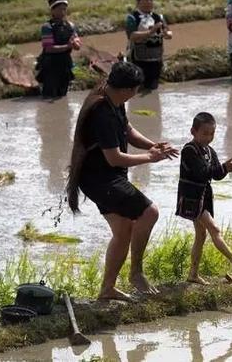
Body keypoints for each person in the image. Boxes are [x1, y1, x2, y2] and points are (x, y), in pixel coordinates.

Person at [66, 62, 179, 301]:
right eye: (136, 89)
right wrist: (150, 158)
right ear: (128, 90)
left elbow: (127, 130)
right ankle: (136, 272)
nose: (136, 93)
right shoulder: (102, 113)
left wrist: (152, 145)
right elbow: (114, 158)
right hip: (100, 179)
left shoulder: (112, 99)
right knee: (150, 212)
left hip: (104, 176)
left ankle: (107, 289)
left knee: (123, 230)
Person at [176, 112, 232, 285]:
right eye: (205, 133)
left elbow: (216, 175)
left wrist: (226, 168)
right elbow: (201, 173)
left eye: (212, 133)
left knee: (201, 235)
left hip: (203, 197)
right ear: (193, 131)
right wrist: (222, 167)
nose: (209, 137)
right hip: (191, 198)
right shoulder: (189, 150)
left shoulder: (210, 151)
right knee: (215, 229)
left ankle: (193, 274)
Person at [126, 0, 173, 90]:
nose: (148, 3)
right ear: (138, 2)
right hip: (137, 60)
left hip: (156, 60)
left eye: (150, 0)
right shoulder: (132, 18)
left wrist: (166, 34)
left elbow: (169, 33)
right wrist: (150, 32)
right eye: (145, 0)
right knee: (137, 89)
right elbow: (132, 36)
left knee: (153, 90)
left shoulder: (158, 17)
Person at [36, 0, 82, 99]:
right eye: (60, 9)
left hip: (65, 65)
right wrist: (68, 46)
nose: (63, 12)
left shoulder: (70, 25)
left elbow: (77, 43)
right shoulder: (47, 27)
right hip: (50, 66)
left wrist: (75, 44)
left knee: (63, 96)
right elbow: (49, 48)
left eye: (64, 9)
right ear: (52, 11)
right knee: (48, 95)